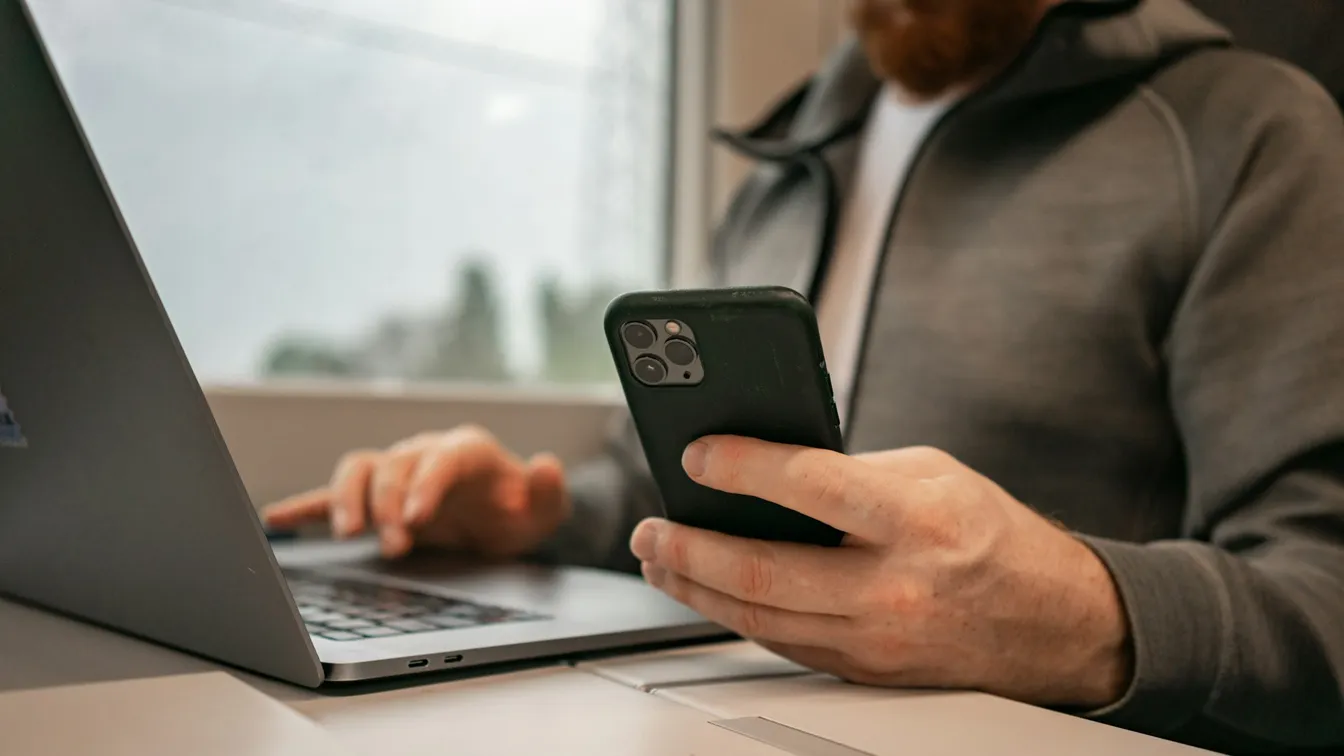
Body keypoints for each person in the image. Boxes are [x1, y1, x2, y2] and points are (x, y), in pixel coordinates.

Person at [264, 0, 1344, 752]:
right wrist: (535, 513)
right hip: (707, 718)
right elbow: (673, 501)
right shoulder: (788, 165)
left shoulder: (1249, 133)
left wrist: (1080, 618)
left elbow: (1325, 600)